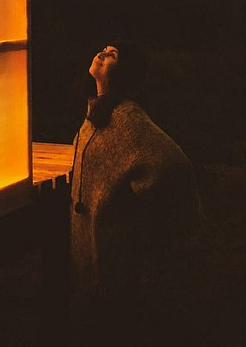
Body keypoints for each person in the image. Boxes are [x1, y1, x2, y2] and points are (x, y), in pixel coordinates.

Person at [69, 41, 204, 340]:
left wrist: (153, 225)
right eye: (103, 49)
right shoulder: (98, 113)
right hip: (95, 263)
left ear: (126, 71)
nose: (103, 53)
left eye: (113, 54)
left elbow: (172, 165)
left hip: (117, 265)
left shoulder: (128, 120)